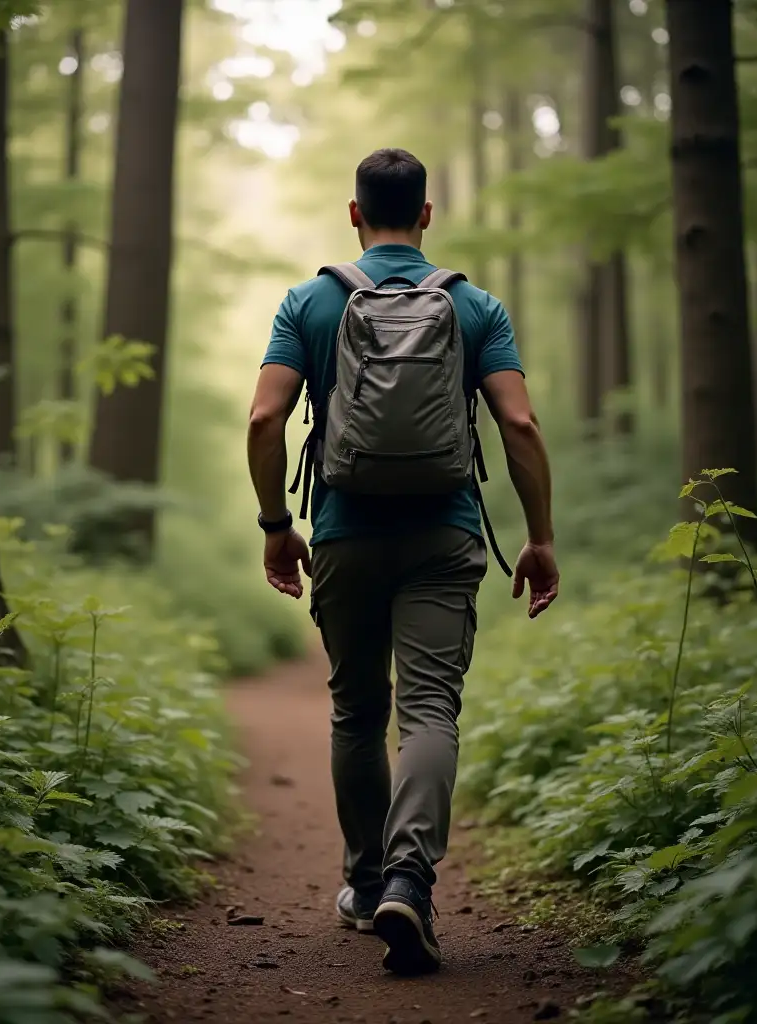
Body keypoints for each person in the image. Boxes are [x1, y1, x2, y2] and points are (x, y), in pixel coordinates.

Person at [246, 147, 558, 976]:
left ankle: (366, 880)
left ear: (354, 214)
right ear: (426, 215)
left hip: (346, 532)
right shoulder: (475, 306)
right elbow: (519, 428)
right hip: (444, 535)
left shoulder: (310, 301)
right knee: (427, 711)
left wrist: (278, 524)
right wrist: (541, 537)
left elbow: (263, 421)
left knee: (355, 709)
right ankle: (410, 883)